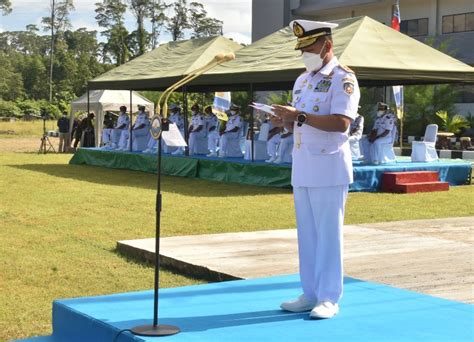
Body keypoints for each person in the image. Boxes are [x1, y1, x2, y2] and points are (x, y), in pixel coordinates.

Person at [271, 20, 360, 319]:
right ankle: (309, 293)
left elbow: (341, 123)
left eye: (308, 48)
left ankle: (329, 298)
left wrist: (301, 116)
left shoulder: (342, 78)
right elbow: (301, 121)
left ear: (327, 46)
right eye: (302, 50)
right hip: (304, 165)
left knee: (328, 234)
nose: (304, 54)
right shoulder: (303, 80)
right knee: (307, 234)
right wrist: (284, 120)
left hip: (329, 166)